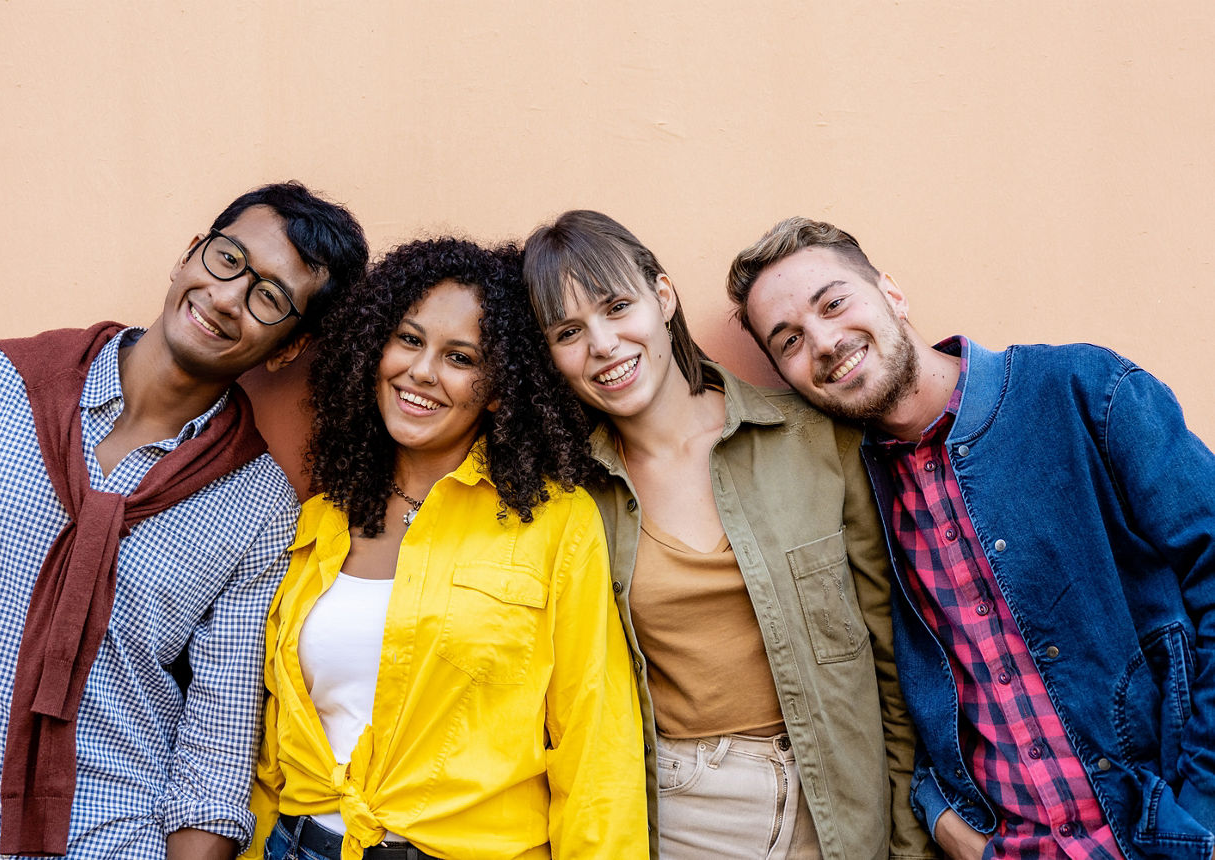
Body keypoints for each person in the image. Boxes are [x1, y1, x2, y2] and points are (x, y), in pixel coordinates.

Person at [726, 216, 1215, 860]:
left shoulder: (1083, 393)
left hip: (1163, 833)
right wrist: (941, 815)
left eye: (835, 303)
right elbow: (890, 690)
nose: (822, 341)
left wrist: (1201, 810)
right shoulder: (845, 497)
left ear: (891, 294)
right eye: (789, 340)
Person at [0, 181, 369, 859]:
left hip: (112, 838)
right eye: (227, 261)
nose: (227, 298)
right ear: (190, 255)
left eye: (269, 298)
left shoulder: (257, 507)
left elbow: (212, 761)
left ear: (286, 349)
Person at [522, 210, 933, 860]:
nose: (601, 344)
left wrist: (910, 844)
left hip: (839, 805)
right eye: (567, 331)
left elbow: (892, 659)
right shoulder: (573, 495)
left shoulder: (815, 442)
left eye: (617, 306)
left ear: (662, 296)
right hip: (681, 812)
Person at [244, 237, 646, 860]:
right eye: (408, 340)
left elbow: (597, 745)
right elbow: (273, 743)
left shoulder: (554, 523)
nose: (422, 371)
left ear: (497, 389)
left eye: (459, 356)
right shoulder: (319, 521)